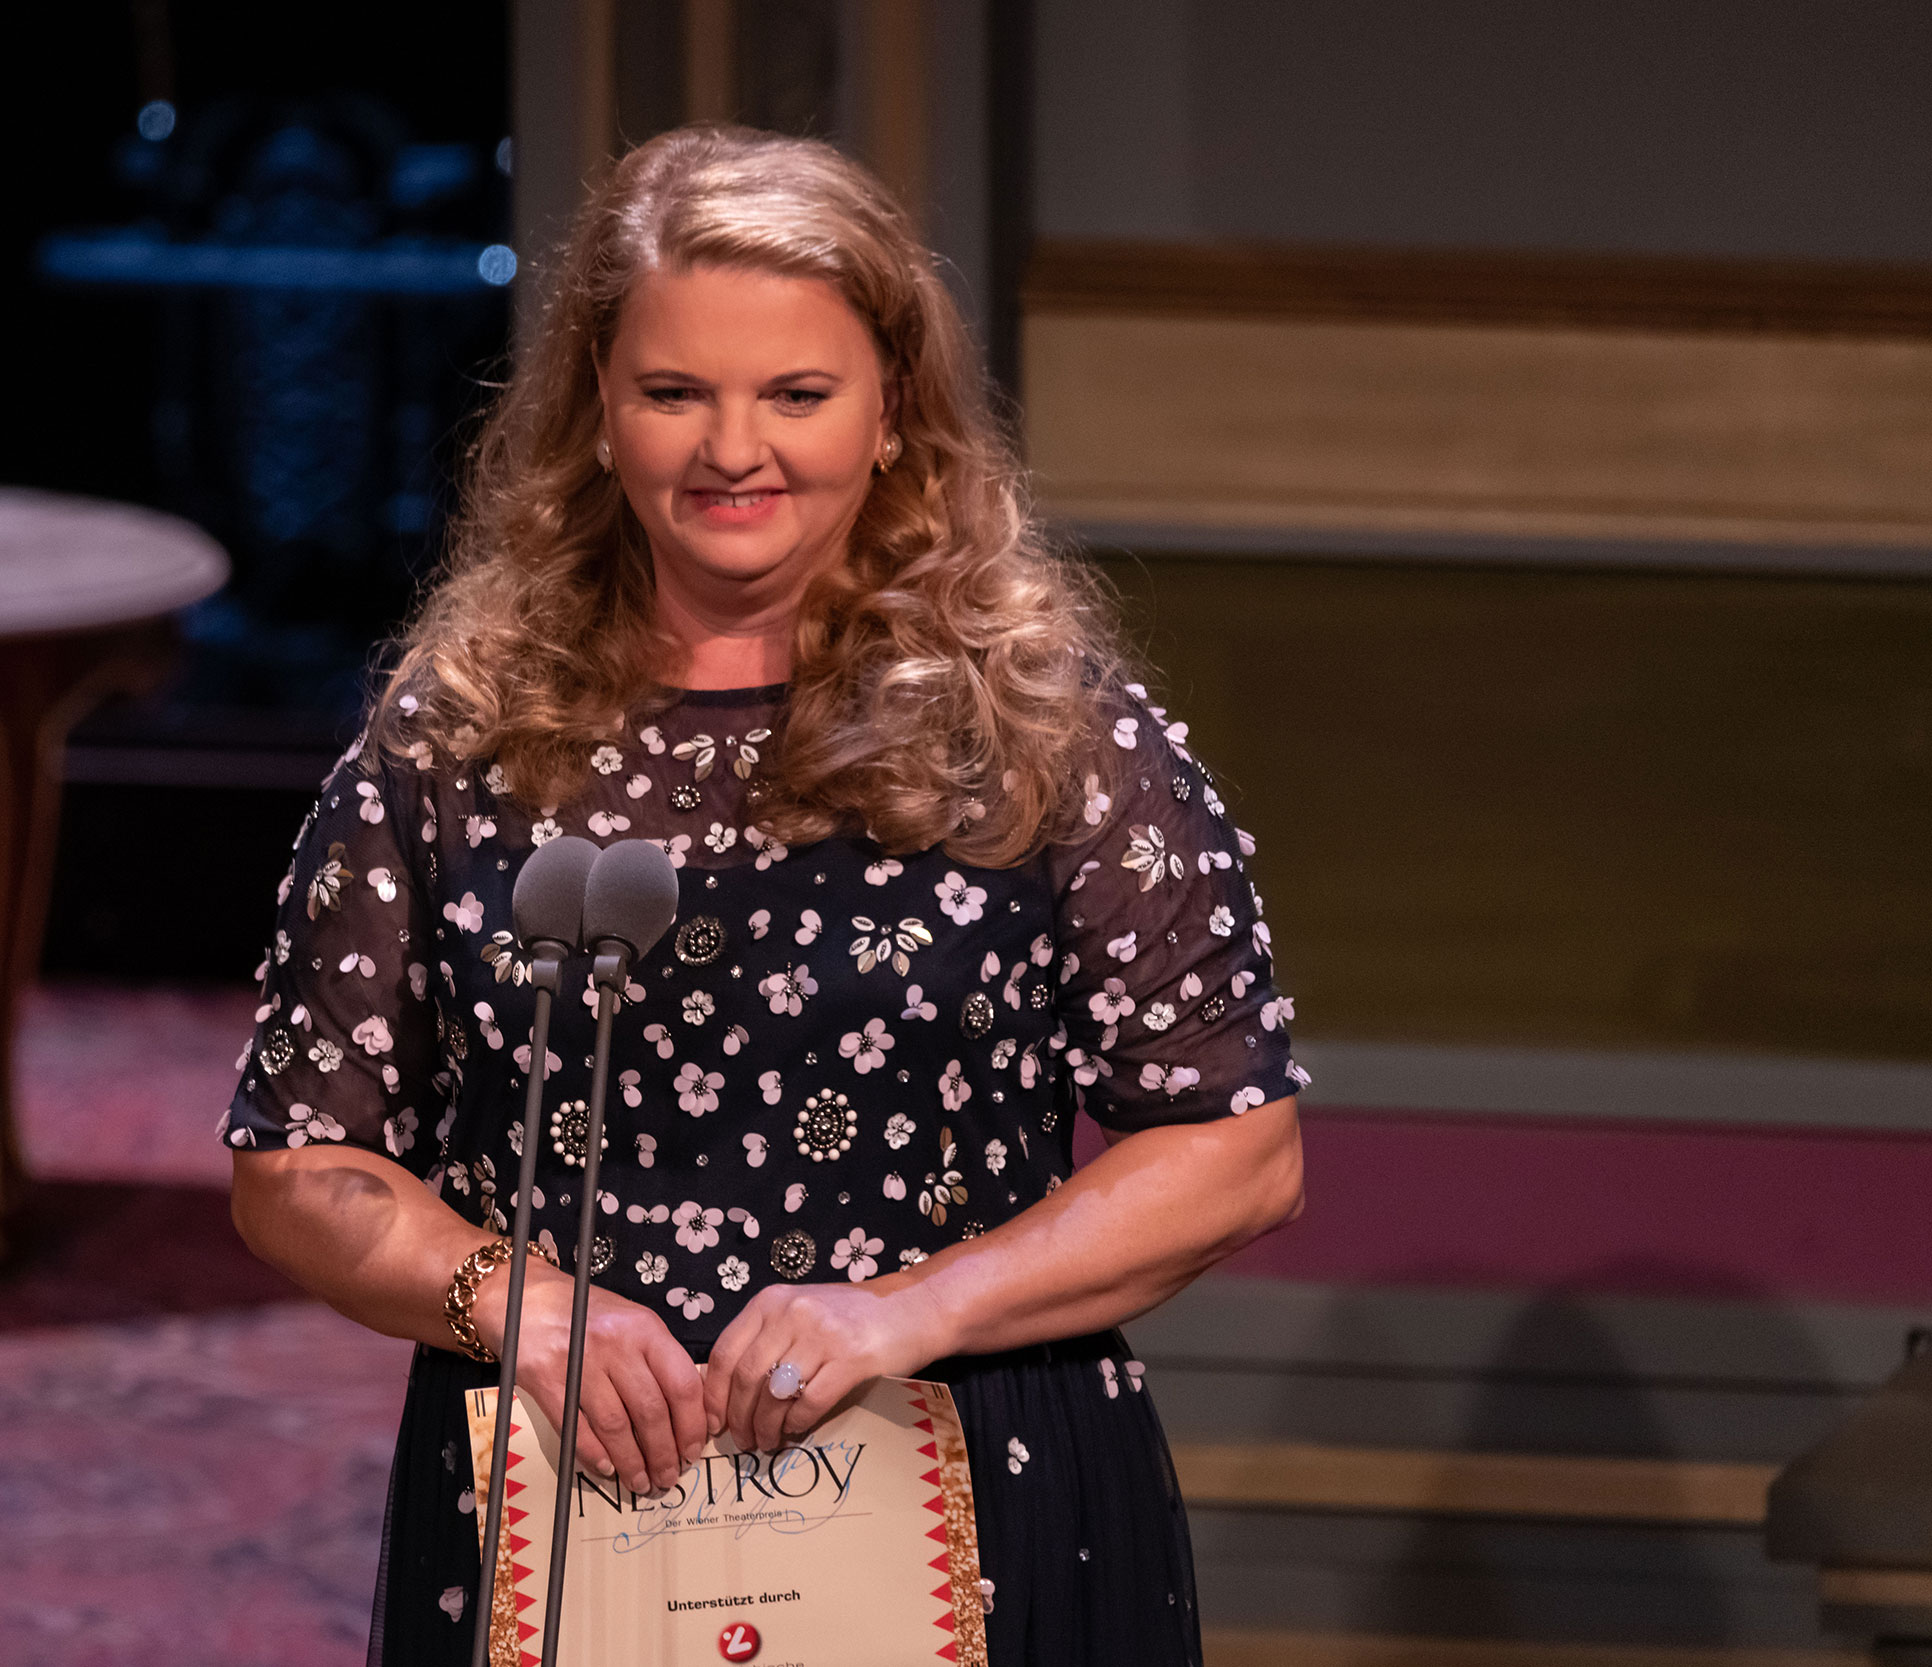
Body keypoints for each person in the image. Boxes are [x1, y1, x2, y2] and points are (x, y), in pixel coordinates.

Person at [222, 125, 1306, 1666]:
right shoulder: (460, 731)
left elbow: (1238, 1151)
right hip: (562, 1506)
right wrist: (515, 1302)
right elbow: (297, 1167)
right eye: (677, 393)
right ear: (598, 413)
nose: (736, 451)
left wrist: (910, 1308)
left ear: (893, 414)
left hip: (972, 1488)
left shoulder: (1041, 725)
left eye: (797, 394)